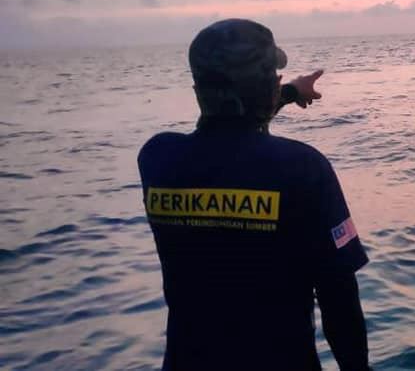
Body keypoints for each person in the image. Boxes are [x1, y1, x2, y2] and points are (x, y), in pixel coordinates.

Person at [138, 18, 371, 371]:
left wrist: (287, 93)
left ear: (197, 88)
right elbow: (339, 300)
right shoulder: (304, 169)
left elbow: (228, 138)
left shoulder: (157, 159)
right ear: (269, 86)